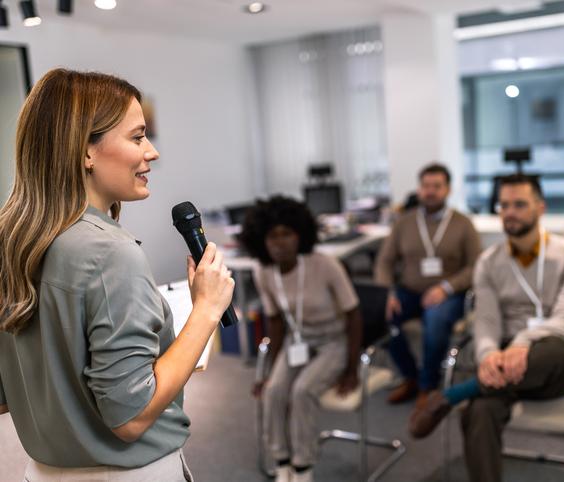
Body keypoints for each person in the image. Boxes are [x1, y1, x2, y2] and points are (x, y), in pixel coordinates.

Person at [0, 69, 235, 481]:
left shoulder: (13, 241)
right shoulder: (109, 253)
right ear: (85, 151)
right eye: (138, 136)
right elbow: (131, 416)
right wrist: (207, 311)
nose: (153, 151)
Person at [409, 174, 564, 482]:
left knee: (551, 350)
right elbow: (487, 320)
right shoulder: (489, 262)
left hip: (555, 360)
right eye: (504, 205)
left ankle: (453, 394)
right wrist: (489, 354)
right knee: (478, 412)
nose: (510, 212)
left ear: (541, 208)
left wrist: (522, 342)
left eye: (520, 204)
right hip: (506, 362)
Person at [240, 195, 362, 482]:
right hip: (299, 340)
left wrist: (352, 369)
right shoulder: (264, 272)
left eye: (287, 233)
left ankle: (303, 466)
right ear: (262, 240)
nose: (280, 242)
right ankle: (282, 461)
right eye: (272, 235)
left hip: (334, 340)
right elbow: (275, 322)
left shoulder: (325, 265)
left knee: (302, 391)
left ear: (301, 235)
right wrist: (268, 372)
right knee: (274, 391)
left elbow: (354, 316)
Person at [375, 163, 481, 407]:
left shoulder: (463, 224)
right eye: (425, 186)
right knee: (383, 317)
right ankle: (410, 376)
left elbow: (475, 266)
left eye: (437, 186)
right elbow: (384, 262)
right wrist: (387, 293)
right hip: (409, 291)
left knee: (435, 321)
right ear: (419, 189)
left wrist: (445, 287)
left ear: (448, 190)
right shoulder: (404, 223)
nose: (430, 191)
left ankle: (428, 385)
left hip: (449, 295)